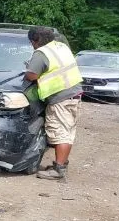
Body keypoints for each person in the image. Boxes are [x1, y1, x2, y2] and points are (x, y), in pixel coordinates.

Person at [23, 27, 83, 180]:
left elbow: (31, 75)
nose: (32, 45)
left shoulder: (41, 53)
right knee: (67, 131)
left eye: (32, 42)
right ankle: (60, 165)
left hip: (61, 98)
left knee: (60, 133)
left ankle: (59, 170)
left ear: (34, 41)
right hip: (72, 94)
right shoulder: (61, 46)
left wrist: (28, 69)